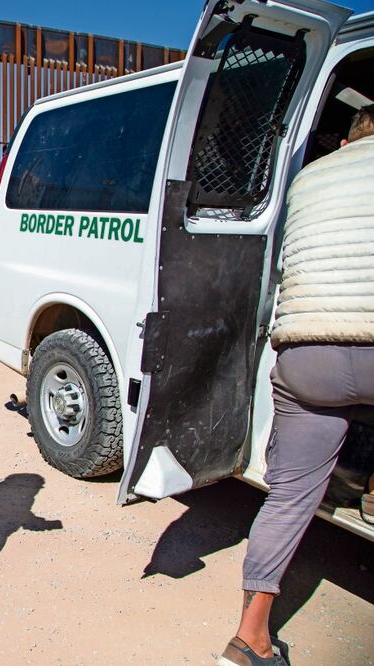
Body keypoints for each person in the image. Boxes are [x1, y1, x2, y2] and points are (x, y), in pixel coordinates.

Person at [218, 105, 374, 666]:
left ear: (346, 141)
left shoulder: (308, 178)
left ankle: (250, 638)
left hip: (306, 351)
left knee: (288, 497)